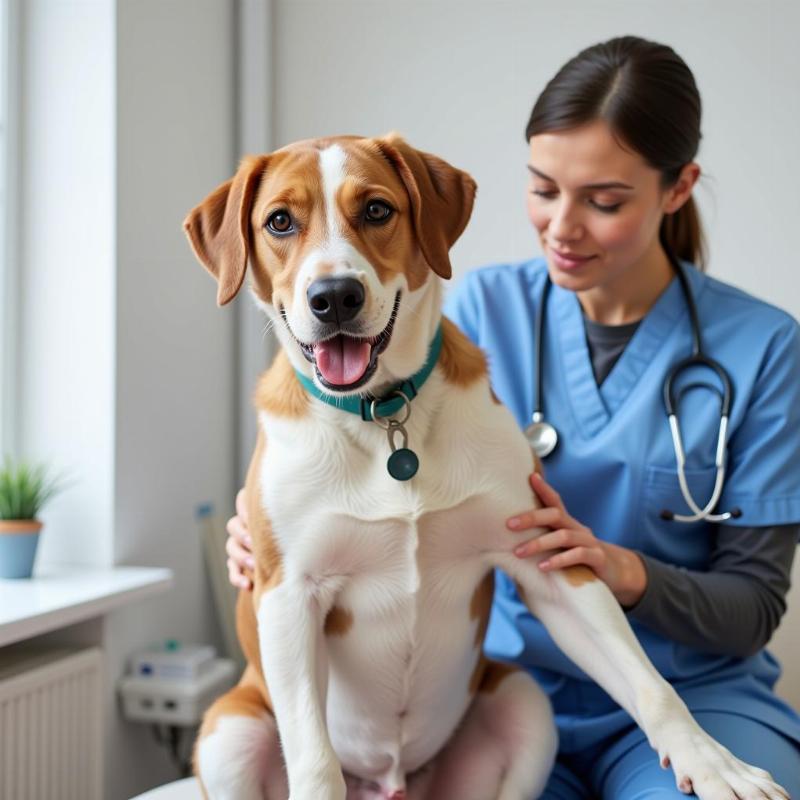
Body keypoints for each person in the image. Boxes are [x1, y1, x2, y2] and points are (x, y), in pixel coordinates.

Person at [224, 35, 800, 798]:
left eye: (604, 200)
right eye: (542, 188)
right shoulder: (479, 310)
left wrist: (622, 569)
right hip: (509, 690)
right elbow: (355, 456)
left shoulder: (763, 347)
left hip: (687, 692)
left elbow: (753, 606)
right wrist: (267, 520)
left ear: (676, 188)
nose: (562, 226)